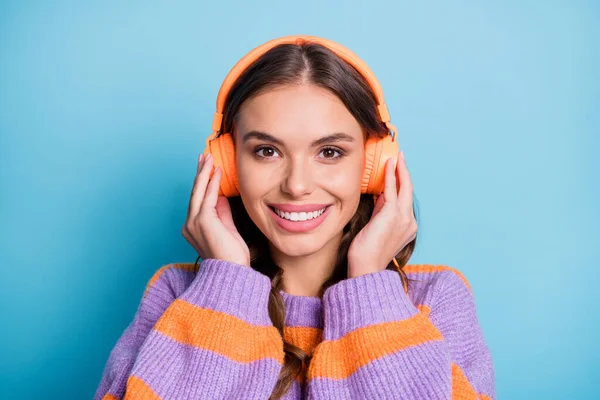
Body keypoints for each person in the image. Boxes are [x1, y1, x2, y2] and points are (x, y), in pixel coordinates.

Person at [94, 35, 496, 400]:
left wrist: (371, 288)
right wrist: (225, 286)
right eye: (267, 151)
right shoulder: (176, 295)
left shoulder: (436, 300)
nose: (297, 185)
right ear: (229, 167)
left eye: (330, 152)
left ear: (373, 167)